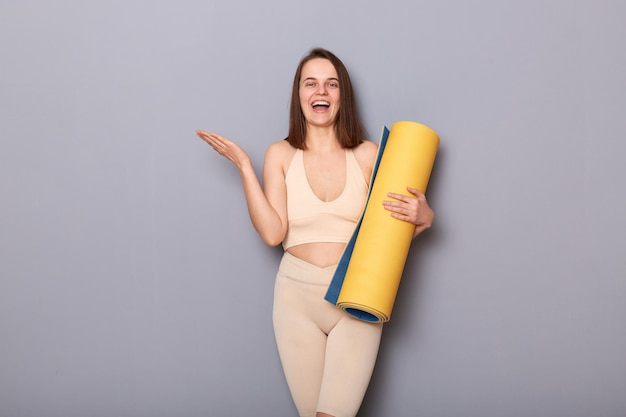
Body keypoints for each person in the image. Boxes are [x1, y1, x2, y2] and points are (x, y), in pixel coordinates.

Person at [196, 48, 434, 417]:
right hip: (295, 299)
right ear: (299, 95)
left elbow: (391, 232)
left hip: (355, 293)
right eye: (311, 83)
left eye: (331, 84)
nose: (320, 91)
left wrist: (424, 217)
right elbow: (273, 234)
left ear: (342, 96)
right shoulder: (280, 154)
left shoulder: (369, 155)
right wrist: (244, 165)